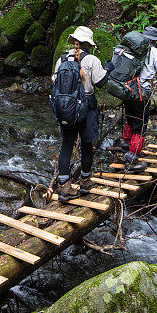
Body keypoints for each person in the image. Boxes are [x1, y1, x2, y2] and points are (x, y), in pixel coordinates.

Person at [52, 26, 108, 202]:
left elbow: (55, 81)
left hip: (66, 107)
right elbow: (100, 83)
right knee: (86, 144)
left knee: (67, 144)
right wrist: (109, 69)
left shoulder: (62, 60)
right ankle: (85, 182)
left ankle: (64, 187)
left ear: (74, 42)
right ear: (87, 44)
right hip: (87, 106)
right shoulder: (92, 60)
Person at [118, 26, 157, 171]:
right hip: (141, 93)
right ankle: (132, 160)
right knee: (140, 125)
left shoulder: (129, 49)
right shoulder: (154, 52)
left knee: (130, 120)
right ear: (154, 41)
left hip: (127, 90)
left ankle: (125, 148)